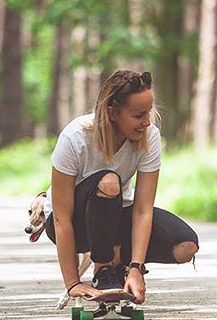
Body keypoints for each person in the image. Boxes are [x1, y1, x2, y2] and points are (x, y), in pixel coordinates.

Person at [43, 69, 199, 304]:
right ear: (112, 112)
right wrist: (73, 282)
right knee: (109, 182)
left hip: (116, 214)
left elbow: (143, 209)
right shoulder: (75, 137)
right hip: (74, 224)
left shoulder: (150, 136)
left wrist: (137, 267)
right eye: (138, 115)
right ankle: (103, 269)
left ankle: (119, 264)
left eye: (149, 113)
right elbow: (61, 219)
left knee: (185, 247)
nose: (146, 122)